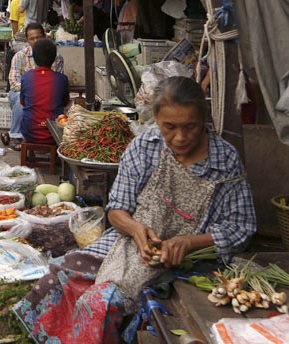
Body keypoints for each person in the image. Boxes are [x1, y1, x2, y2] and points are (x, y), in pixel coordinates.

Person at [15, 76, 256, 343]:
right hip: (132, 244)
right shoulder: (145, 146)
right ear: (155, 118)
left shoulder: (225, 159)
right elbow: (117, 209)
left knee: (102, 303)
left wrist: (188, 243)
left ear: (204, 120)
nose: (180, 137)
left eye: (191, 127)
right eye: (170, 127)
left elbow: (241, 228)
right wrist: (137, 230)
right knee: (61, 270)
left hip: (194, 259)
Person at [8, 23, 65, 149]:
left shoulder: (56, 57)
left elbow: (58, 81)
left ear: (45, 36)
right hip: (21, 91)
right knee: (20, 101)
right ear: (27, 40)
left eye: (38, 38)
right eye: (32, 39)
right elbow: (14, 81)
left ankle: (48, 131)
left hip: (45, 92)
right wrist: (32, 90)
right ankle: (15, 136)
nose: (35, 41)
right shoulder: (19, 56)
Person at [20, 39, 69, 145]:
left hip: (29, 131)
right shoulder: (62, 79)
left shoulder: (27, 77)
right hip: (54, 133)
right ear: (54, 58)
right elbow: (65, 103)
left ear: (34, 57)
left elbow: (23, 102)